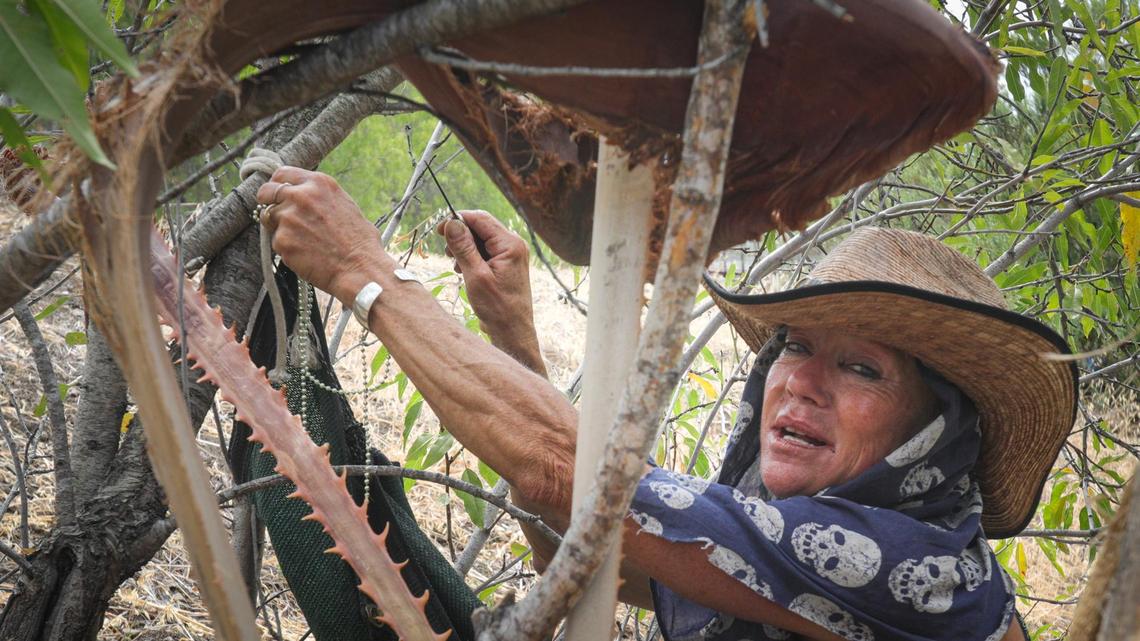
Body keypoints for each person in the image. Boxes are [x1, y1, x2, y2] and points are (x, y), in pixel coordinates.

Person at [255, 167, 1077, 641]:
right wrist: (514, 335)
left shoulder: (919, 572)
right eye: (795, 346)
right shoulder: (777, 553)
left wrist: (365, 272)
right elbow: (594, 556)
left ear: (934, 433)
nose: (800, 382)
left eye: (862, 368)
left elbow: (565, 471)